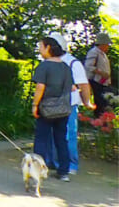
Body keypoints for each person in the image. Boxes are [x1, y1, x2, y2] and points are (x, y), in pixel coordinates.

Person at [44, 32, 93, 175]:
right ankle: (57, 162)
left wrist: (87, 101)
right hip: (56, 103)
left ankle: (69, 164)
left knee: (67, 135)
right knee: (57, 134)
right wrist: (87, 102)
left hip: (67, 104)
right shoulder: (51, 61)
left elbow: (83, 85)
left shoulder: (72, 62)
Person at [32, 36, 74, 182]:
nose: (39, 50)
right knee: (61, 139)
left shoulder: (44, 66)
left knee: (42, 139)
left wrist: (35, 105)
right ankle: (64, 171)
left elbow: (40, 87)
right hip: (63, 108)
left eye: (41, 47)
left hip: (46, 108)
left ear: (48, 48)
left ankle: (38, 170)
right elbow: (72, 88)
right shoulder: (66, 67)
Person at [84, 32, 112, 112]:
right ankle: (98, 119)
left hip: (103, 82)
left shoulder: (103, 54)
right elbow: (88, 66)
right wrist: (101, 73)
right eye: (107, 44)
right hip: (96, 81)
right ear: (103, 44)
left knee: (105, 101)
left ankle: (104, 119)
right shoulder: (94, 52)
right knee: (99, 101)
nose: (108, 46)